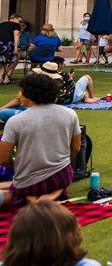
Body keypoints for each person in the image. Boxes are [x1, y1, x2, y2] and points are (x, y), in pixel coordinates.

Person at [0, 73, 81, 208]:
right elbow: (76, 148)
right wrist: (60, 161)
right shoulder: (70, 114)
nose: (18, 95)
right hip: (62, 176)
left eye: (20, 91)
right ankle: (53, 194)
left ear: (28, 93)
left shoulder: (16, 121)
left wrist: (15, 163)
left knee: (16, 189)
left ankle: (30, 197)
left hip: (29, 182)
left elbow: (2, 159)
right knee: (22, 184)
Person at [0, 12, 23, 85]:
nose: (20, 23)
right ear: (14, 18)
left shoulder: (1, 24)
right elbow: (16, 35)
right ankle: (6, 78)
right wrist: (16, 47)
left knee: (4, 61)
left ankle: (1, 77)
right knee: (14, 58)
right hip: (7, 46)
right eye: (20, 21)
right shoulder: (16, 25)